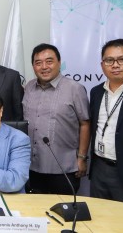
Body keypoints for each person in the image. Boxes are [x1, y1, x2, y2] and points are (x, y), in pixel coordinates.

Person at [23, 43, 90, 194]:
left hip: (64, 168)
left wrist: (82, 158)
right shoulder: (29, 87)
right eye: (38, 63)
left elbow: (85, 123)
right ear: (33, 66)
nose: (44, 67)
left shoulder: (75, 88)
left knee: (63, 213)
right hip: (32, 166)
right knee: (35, 212)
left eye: (49, 61)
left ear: (59, 63)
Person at [90, 38, 123, 205]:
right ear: (102, 64)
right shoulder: (96, 92)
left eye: (122, 59)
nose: (115, 65)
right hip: (99, 168)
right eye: (109, 60)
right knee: (99, 222)